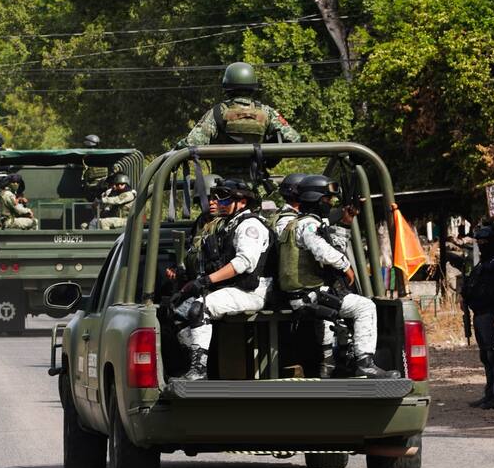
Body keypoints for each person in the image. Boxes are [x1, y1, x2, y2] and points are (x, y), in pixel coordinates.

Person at [278, 174, 399, 379]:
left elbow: (332, 246)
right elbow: (323, 251)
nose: (330, 204)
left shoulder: (302, 223)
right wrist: (346, 267)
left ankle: (334, 367)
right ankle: (365, 363)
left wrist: (344, 224)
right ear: (315, 200)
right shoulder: (308, 225)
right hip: (310, 295)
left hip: (306, 294)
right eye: (327, 200)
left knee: (339, 316)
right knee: (365, 307)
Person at [171, 178, 273, 380]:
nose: (218, 203)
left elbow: (244, 263)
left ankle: (199, 371)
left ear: (242, 202)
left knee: (199, 309)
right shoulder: (229, 224)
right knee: (179, 309)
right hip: (235, 288)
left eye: (224, 199)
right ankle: (195, 359)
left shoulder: (250, 225)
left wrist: (206, 281)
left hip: (252, 291)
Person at [175, 62, 301, 150]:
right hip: (257, 184)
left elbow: (191, 143)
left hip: (222, 184)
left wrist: (173, 151)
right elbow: (294, 139)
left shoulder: (217, 113)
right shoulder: (267, 112)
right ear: (253, 86)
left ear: (227, 87)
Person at [462, 226, 494, 409]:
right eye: (479, 242)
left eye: (484, 242)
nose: (481, 245)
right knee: (486, 355)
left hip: (493, 314)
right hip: (479, 313)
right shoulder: (485, 261)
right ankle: (490, 392)